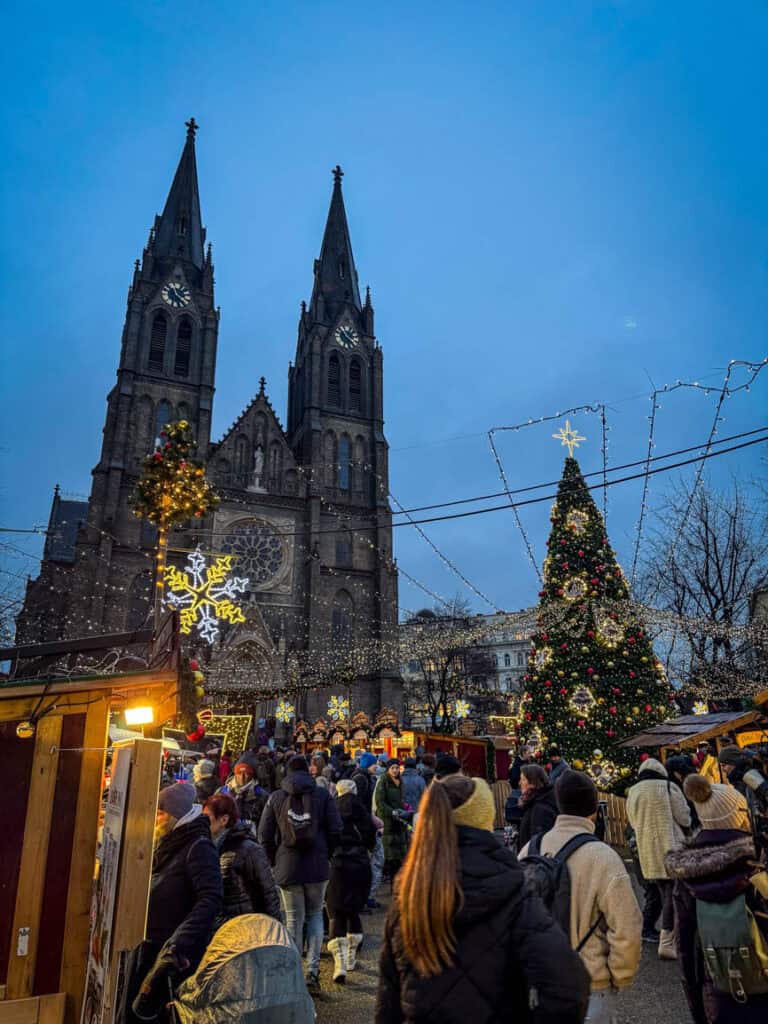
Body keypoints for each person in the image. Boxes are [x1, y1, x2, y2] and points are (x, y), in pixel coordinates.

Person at [375, 773, 590, 1024]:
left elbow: (388, 996)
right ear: (484, 820)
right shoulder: (514, 891)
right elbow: (568, 984)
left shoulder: (410, 892)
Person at [519, 770, 642, 1023]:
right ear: (594, 807)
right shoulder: (603, 857)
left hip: (539, 983)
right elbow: (627, 928)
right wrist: (619, 975)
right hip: (590, 984)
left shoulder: (529, 850)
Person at [666, 773, 766, 1023]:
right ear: (741, 815)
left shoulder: (686, 872)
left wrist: (698, 1010)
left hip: (719, 991)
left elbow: (685, 947)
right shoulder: (757, 862)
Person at [128, 782, 223, 1023]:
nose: (156, 819)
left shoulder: (198, 846)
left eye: (160, 813)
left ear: (175, 815)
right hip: (152, 947)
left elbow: (210, 898)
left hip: (173, 955)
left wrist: (179, 942)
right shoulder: (172, 840)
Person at [258, 754, 342, 994]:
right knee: (315, 915)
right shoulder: (323, 796)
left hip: (288, 865)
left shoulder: (276, 797)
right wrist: (327, 853)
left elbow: (264, 835)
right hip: (317, 865)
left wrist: (275, 860)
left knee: (293, 919)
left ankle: (293, 972)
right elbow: (336, 829)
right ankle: (312, 972)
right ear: (309, 771)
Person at [626, 757, 691, 959]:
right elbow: (684, 817)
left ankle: (668, 936)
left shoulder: (634, 791)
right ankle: (668, 940)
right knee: (674, 892)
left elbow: (633, 821)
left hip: (648, 850)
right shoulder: (668, 786)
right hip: (671, 847)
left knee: (663, 892)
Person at [326, 778, 377, 983]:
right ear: (354, 791)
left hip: (337, 864)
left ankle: (339, 964)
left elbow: (328, 835)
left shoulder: (332, 809)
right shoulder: (362, 811)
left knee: (337, 911)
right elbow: (371, 838)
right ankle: (351, 957)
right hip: (360, 862)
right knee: (354, 911)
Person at [202, 793, 281, 923]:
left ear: (224, 820)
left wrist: (275, 927)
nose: (204, 822)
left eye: (207, 818)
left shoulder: (249, 849)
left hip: (246, 926)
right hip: (220, 927)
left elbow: (268, 893)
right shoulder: (207, 846)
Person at [375, 759, 410, 879]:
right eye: (392, 768)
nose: (395, 770)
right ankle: (390, 879)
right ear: (388, 769)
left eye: (397, 768)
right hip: (388, 821)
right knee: (390, 855)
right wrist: (392, 811)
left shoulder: (401, 781)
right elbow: (380, 802)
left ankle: (396, 881)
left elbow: (401, 799)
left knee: (400, 854)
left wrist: (404, 808)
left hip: (400, 820)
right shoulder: (383, 781)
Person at [219, 753, 269, 831]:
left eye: (246, 773)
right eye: (239, 773)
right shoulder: (222, 791)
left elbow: (266, 824)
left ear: (252, 775)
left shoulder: (262, 795)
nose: (242, 777)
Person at [515, 764, 559, 850]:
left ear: (533, 783)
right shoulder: (535, 801)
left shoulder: (540, 809)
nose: (519, 783)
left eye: (523, 779)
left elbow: (538, 846)